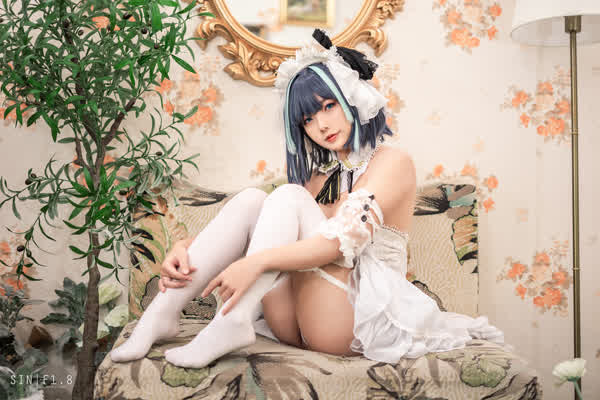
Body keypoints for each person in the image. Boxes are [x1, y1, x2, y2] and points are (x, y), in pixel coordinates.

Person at [110, 30, 503, 368]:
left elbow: (338, 244)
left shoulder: (392, 163)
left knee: (288, 196)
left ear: (353, 98)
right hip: (294, 322)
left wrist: (255, 262)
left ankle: (231, 322)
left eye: (329, 106)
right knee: (252, 200)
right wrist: (186, 246)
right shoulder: (318, 178)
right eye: (308, 119)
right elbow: (259, 225)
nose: (321, 125)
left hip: (352, 322)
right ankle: (160, 316)